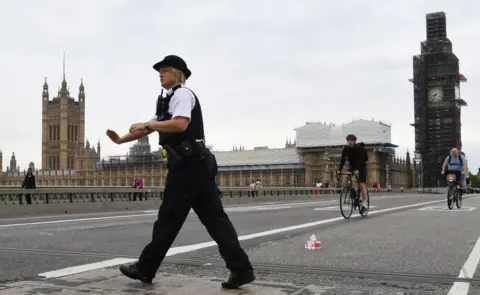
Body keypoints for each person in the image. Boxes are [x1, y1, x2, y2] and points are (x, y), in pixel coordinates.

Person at [106, 55, 255, 289]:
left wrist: (149, 125)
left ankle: (145, 268)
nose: (160, 74)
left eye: (165, 70)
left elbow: (180, 124)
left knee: (168, 219)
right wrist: (121, 140)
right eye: (160, 71)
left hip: (189, 165)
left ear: (179, 74)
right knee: (216, 220)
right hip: (194, 164)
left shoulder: (182, 94)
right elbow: (147, 127)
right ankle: (241, 269)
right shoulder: (165, 101)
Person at [337, 134, 369, 211]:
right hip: (352, 166)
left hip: (361, 166)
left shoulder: (360, 148)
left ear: (355, 141)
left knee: (361, 185)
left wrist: (358, 169)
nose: (350, 142)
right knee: (347, 176)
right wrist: (339, 170)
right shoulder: (346, 149)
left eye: (351, 141)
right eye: (348, 141)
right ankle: (353, 192)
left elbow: (361, 160)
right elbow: (342, 160)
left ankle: (364, 204)